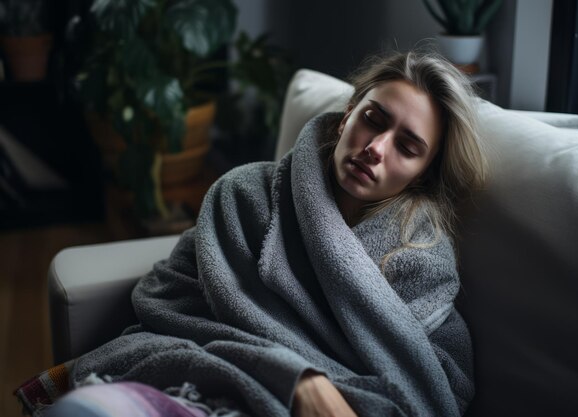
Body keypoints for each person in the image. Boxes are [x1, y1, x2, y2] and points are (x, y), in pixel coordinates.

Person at [40, 50, 486, 417]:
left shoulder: (422, 261)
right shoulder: (245, 194)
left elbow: (433, 389)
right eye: (373, 118)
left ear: (423, 175)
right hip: (197, 383)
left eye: (407, 147)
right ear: (348, 114)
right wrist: (295, 379)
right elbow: (167, 299)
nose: (375, 148)